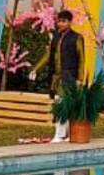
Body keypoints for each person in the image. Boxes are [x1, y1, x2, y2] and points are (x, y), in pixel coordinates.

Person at [30, 10, 85, 143]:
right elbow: (48, 55)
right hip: (56, 77)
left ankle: (60, 135)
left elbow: (82, 59)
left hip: (70, 77)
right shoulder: (55, 37)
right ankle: (66, 134)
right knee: (61, 104)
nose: (60, 23)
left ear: (69, 22)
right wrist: (35, 69)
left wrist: (80, 79)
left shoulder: (77, 37)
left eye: (64, 21)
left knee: (62, 104)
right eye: (59, 21)